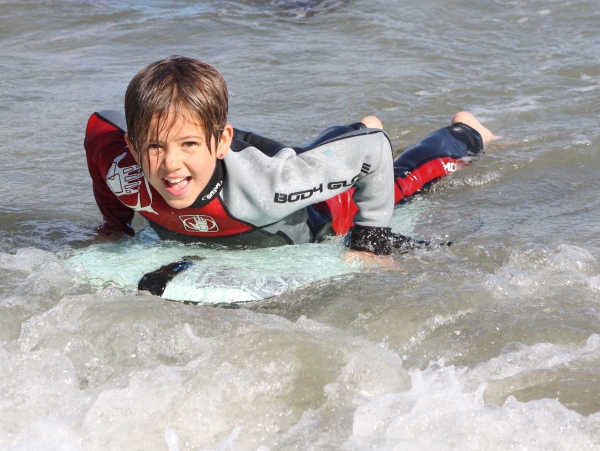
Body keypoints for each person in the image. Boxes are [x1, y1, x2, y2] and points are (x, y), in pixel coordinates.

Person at [85, 56, 496, 256]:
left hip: (317, 209)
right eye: (155, 148)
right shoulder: (124, 167)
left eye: (187, 145)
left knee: (401, 182)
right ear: (136, 148)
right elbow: (98, 130)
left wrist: (370, 239)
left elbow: (372, 154)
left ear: (219, 141)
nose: (170, 164)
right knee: (302, 157)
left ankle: (465, 133)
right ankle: (355, 128)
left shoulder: (267, 191)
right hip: (250, 159)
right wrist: (115, 224)